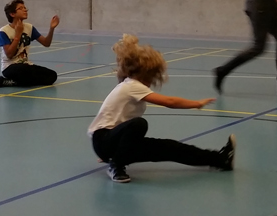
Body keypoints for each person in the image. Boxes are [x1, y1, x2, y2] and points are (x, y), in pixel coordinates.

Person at [88, 34, 236, 183]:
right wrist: (197, 103)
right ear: (145, 73)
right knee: (139, 124)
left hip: (112, 142)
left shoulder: (129, 85)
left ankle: (220, 159)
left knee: (170, 148)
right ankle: (116, 165)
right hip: (103, 140)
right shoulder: (132, 86)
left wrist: (111, 150)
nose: (153, 80)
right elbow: (170, 102)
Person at [0, 0, 59, 87]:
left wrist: (51, 28)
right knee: (25, 70)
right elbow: (9, 55)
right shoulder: (4, 31)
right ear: (12, 14)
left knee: (52, 76)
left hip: (26, 65)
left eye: (25, 8)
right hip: (10, 67)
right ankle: (9, 81)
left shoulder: (29, 27)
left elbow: (46, 43)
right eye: (20, 8)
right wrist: (18, 34)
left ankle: (13, 82)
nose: (25, 10)